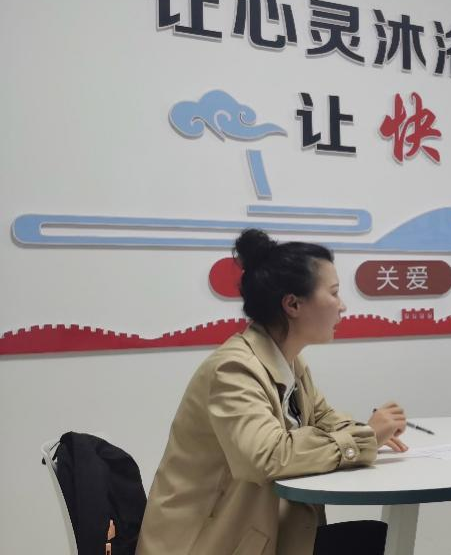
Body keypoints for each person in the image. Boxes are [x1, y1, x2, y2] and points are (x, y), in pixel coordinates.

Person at [138, 229, 410, 555]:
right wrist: (364, 438)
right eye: (334, 293)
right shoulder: (234, 370)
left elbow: (323, 418)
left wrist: (366, 431)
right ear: (293, 304)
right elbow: (265, 457)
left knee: (370, 538)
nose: (343, 306)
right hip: (207, 545)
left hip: (260, 534)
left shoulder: (289, 362)